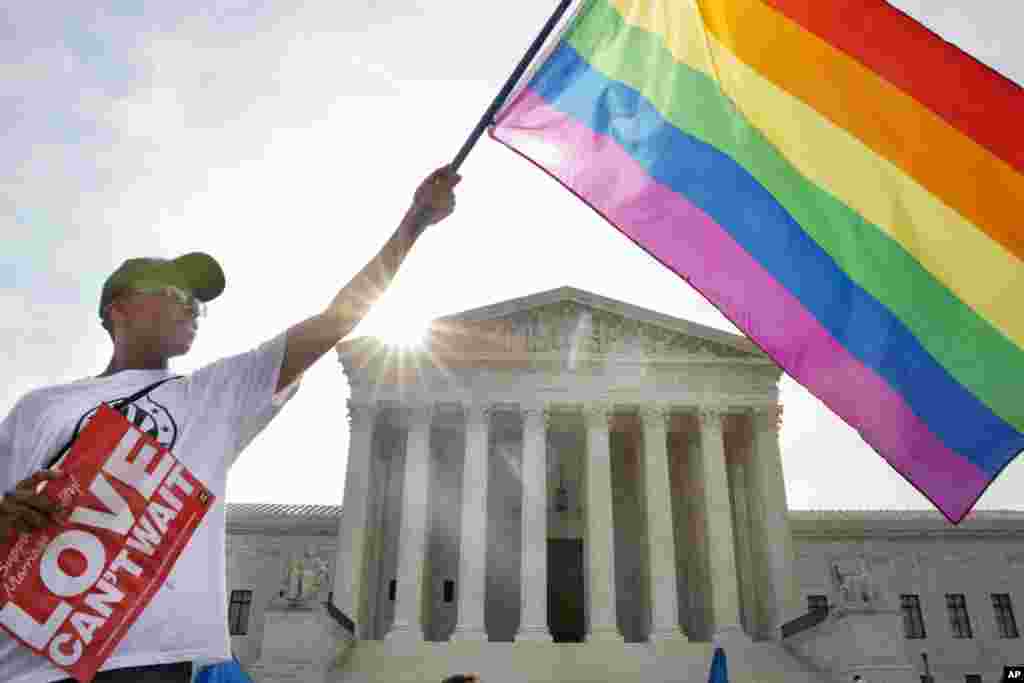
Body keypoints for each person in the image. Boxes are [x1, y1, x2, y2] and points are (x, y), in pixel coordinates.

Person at [0, 165, 460, 683]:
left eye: (199, 303)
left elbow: (336, 320)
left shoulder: (211, 396)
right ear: (119, 308)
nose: (193, 308)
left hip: (153, 661)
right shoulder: (41, 408)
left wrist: (412, 225)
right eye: (176, 293)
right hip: (31, 665)